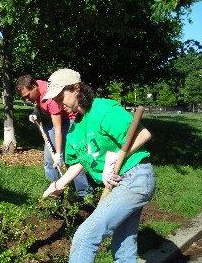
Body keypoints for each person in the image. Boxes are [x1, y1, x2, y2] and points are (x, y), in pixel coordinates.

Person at [41, 68, 156, 262]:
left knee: (84, 238)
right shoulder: (75, 128)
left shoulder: (103, 109)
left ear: (76, 89)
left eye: (61, 97)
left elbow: (143, 135)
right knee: (123, 247)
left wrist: (117, 156)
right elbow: (77, 163)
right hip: (118, 183)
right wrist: (58, 185)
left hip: (135, 178)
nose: (59, 104)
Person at [15, 75, 91, 199]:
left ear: (34, 87)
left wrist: (59, 154)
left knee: (71, 160)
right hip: (57, 122)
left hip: (70, 121)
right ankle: (55, 195)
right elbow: (39, 104)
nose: (27, 99)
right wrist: (36, 111)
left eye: (28, 96)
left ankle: (85, 196)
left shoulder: (51, 100)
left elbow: (58, 129)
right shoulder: (38, 85)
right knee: (49, 161)